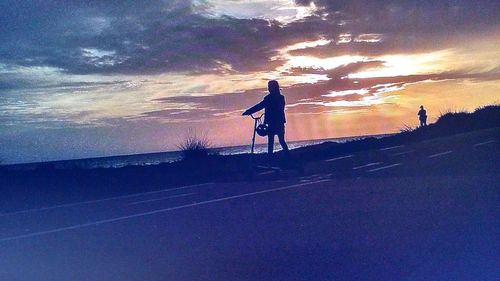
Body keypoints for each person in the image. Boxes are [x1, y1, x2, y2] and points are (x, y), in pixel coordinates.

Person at [242, 80, 289, 155]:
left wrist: (249, 111)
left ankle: (273, 158)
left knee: (274, 142)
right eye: (268, 87)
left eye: (270, 87)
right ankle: (286, 157)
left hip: (275, 123)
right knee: (279, 141)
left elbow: (260, 106)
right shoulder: (279, 97)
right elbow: (260, 106)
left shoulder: (270, 98)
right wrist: (249, 111)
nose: (269, 89)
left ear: (274, 87)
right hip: (277, 122)